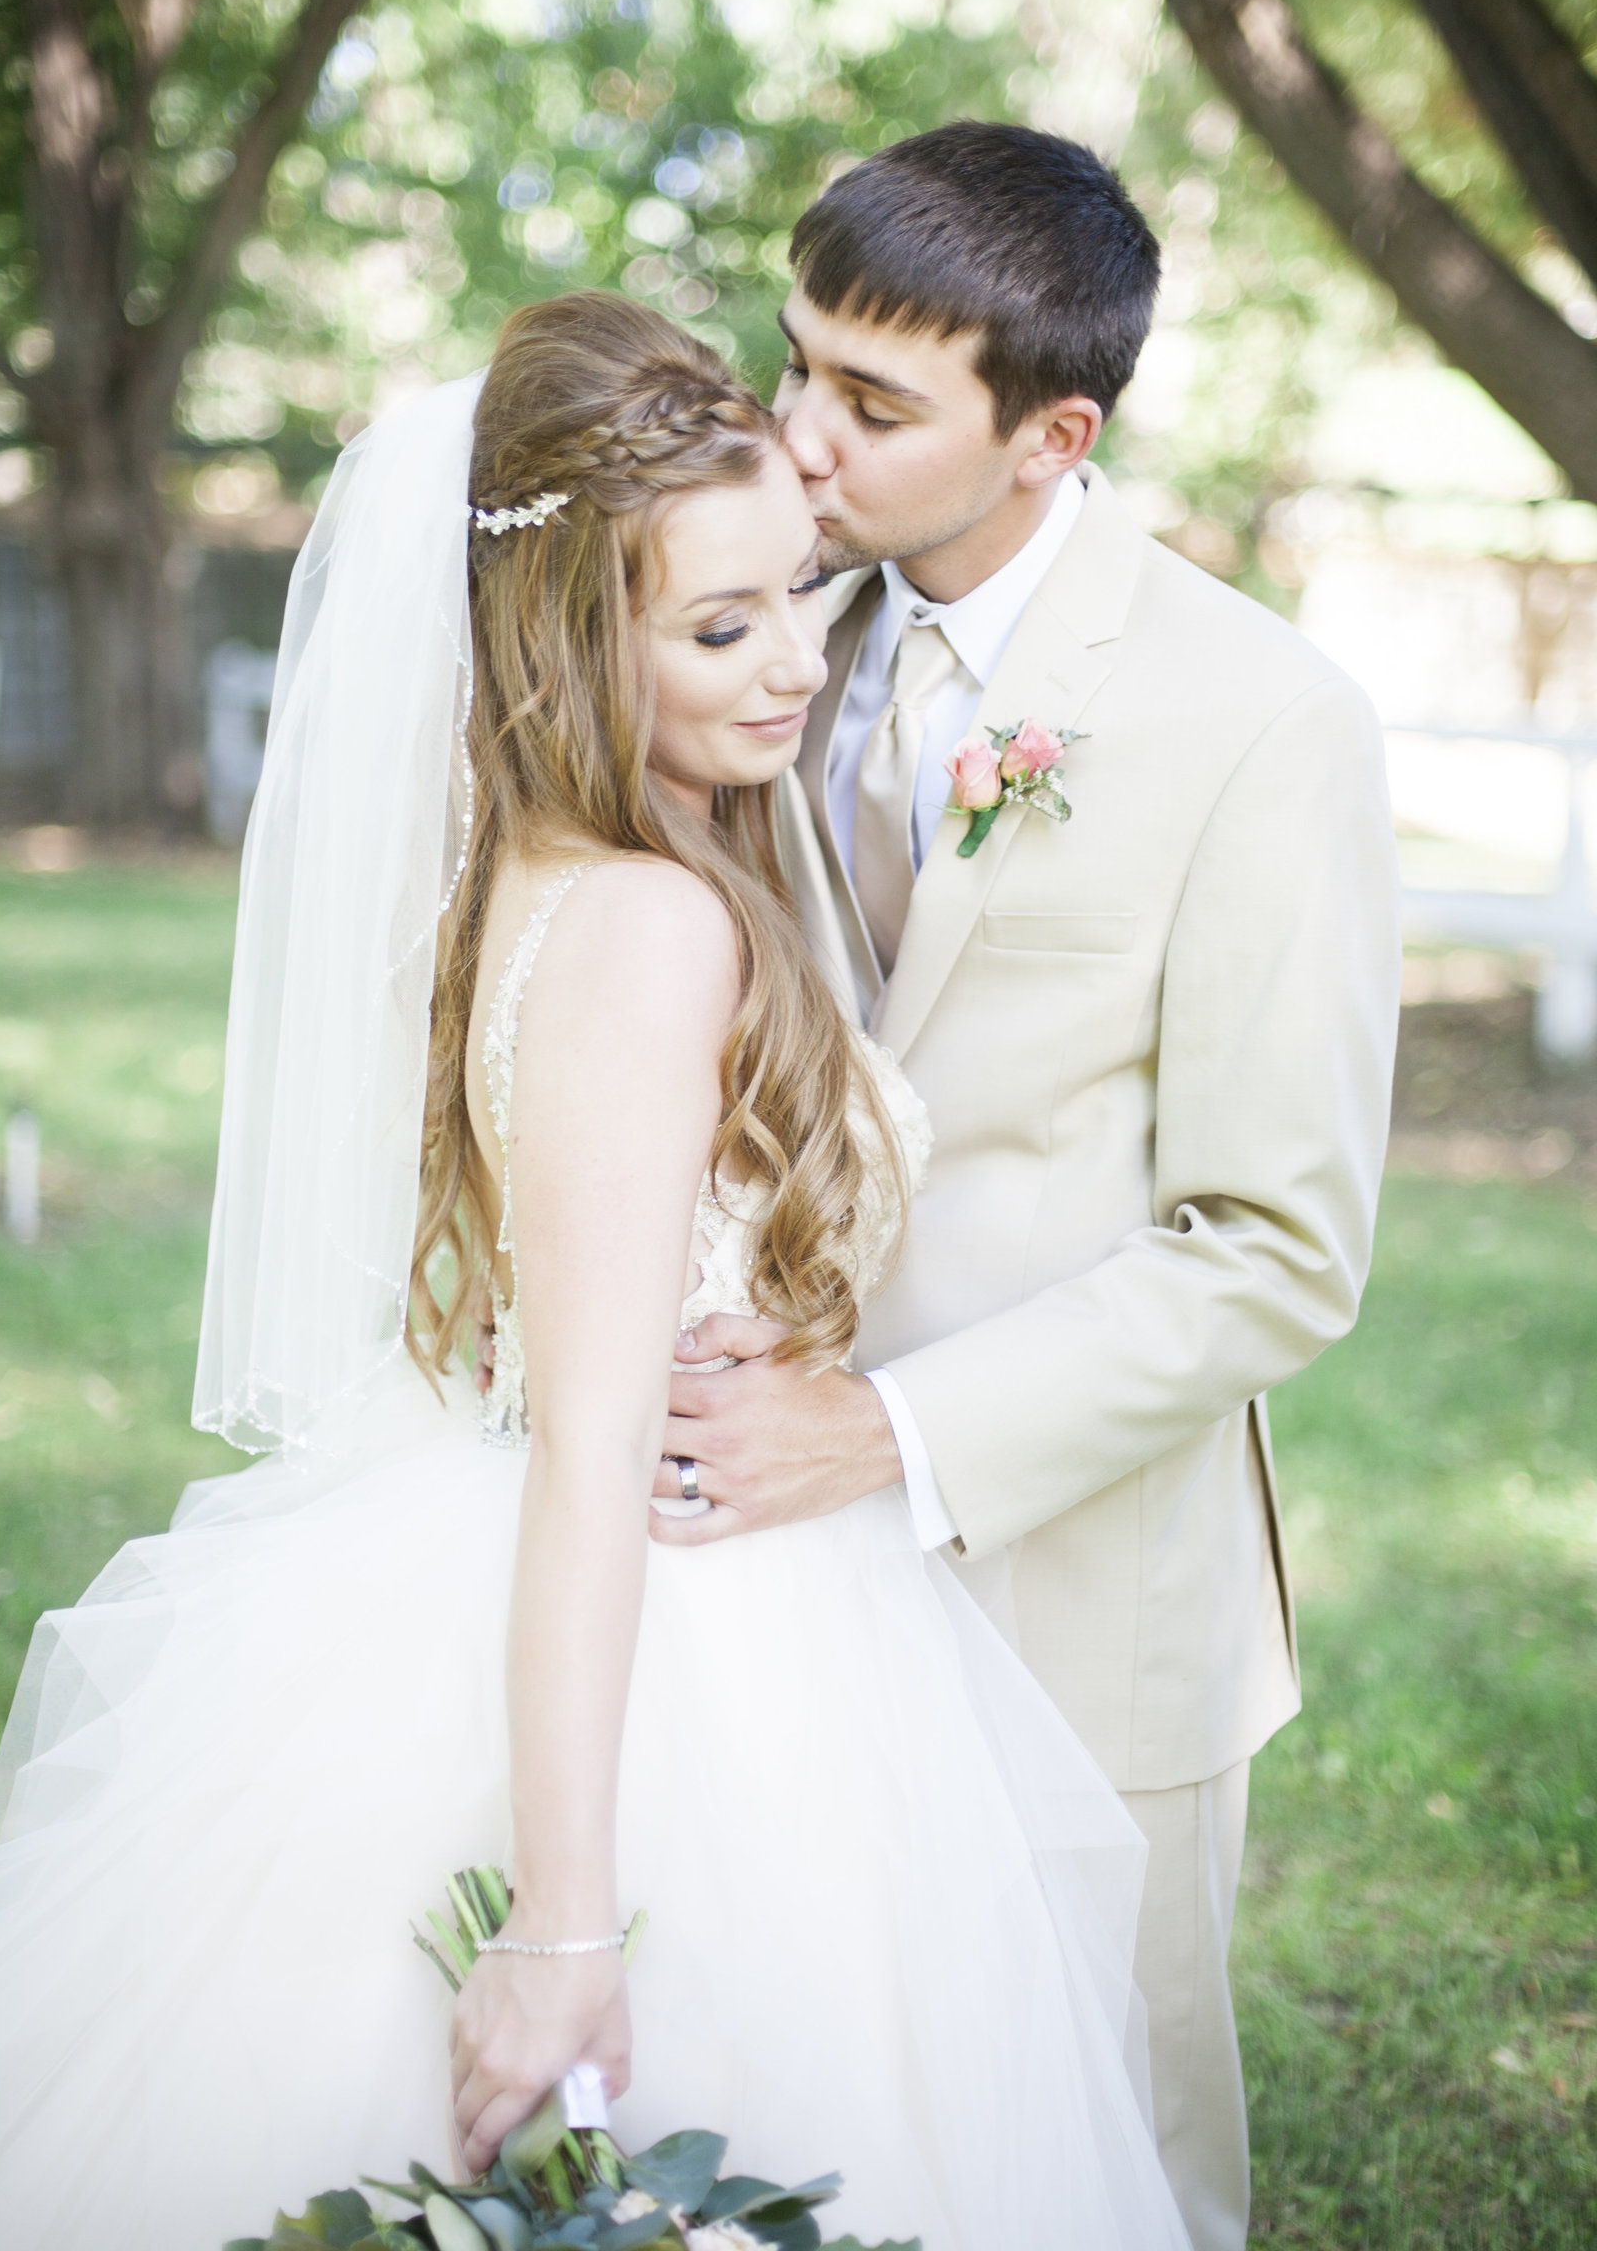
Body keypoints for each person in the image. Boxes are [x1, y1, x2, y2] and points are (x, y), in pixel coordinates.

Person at [0, 292, 1191, 2251]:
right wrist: (563, 1924)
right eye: (720, 628)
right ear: (565, 637)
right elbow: (589, 1455)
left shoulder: (535, 869)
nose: (798, 659)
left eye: (798, 592)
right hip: (675, 1619)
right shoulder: (651, 929)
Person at [647, 124, 1404, 2251]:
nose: (796, 445)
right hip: (762, 1589)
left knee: (1101, 2153)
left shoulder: (1263, 722)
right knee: (828, 2112)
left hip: (1085, 1586)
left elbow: (1273, 1253)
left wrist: (879, 1434)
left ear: (1052, 435)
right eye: (791, 365)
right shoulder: (759, 644)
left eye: (871, 409)